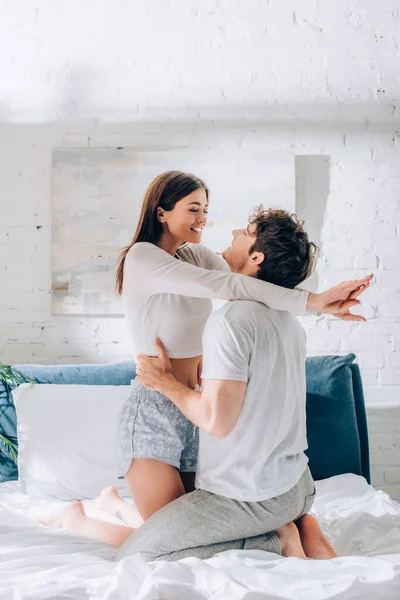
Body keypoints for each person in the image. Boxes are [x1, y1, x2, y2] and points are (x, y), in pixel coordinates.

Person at [40, 172, 371, 547]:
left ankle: (113, 504)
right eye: (193, 208)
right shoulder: (142, 257)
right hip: (156, 409)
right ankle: (77, 519)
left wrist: (320, 305)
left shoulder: (194, 256)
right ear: (161, 212)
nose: (204, 219)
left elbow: (252, 284)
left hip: (195, 404)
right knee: (172, 536)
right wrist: (312, 302)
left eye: (205, 209)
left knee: (187, 528)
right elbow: (226, 285)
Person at [116, 208, 353, 561]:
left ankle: (278, 538)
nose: (231, 232)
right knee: (163, 524)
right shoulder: (288, 321)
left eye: (244, 232)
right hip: (297, 485)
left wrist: (167, 383)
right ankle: (298, 522)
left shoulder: (231, 321)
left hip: (256, 495)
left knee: (137, 555)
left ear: (256, 256)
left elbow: (216, 421)